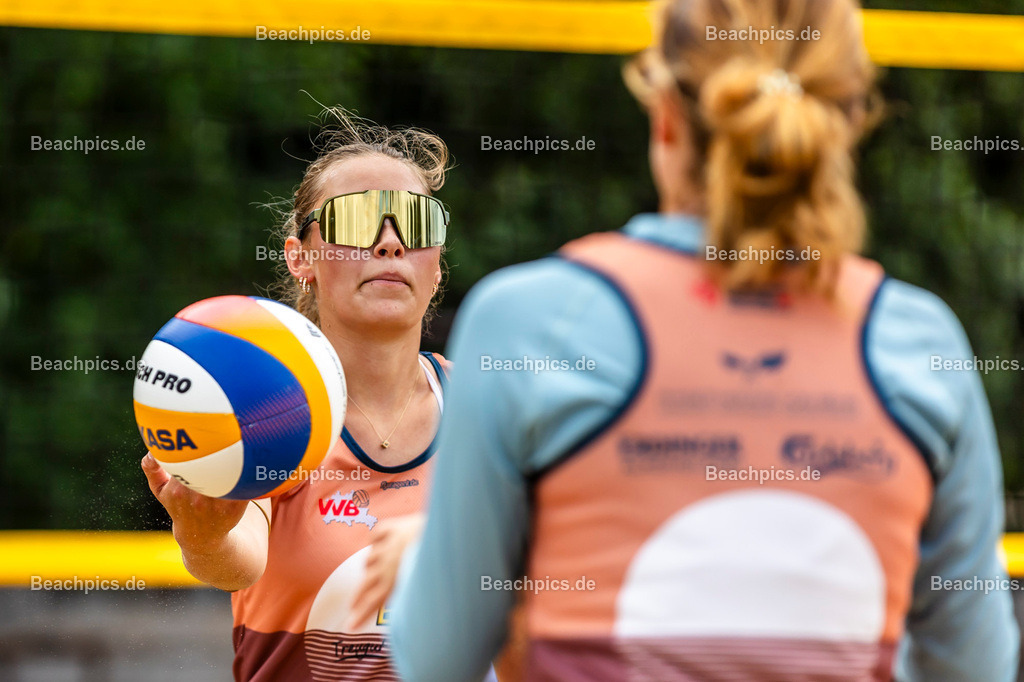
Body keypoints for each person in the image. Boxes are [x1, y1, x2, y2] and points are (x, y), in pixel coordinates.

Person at [388, 1, 1020, 680]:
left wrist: (428, 564)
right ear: (850, 122)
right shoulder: (920, 344)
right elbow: (974, 667)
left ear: (664, 116)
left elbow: (435, 661)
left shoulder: (532, 321)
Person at [142, 110, 463, 681]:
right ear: (301, 257)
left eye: (416, 224)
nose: (390, 242)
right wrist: (204, 534)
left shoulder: (486, 407)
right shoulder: (266, 408)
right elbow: (237, 560)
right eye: (360, 218)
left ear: (437, 267)